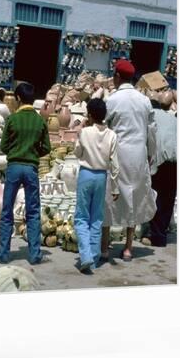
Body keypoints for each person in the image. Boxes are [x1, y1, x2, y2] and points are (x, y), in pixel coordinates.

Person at [101, 59, 157, 261]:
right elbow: (151, 131)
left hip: (116, 154)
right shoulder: (144, 101)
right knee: (134, 197)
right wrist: (151, 154)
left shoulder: (112, 100)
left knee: (110, 197)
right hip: (138, 155)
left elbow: (104, 129)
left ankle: (105, 247)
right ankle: (128, 248)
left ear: (117, 76)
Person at [0, 82, 51, 265]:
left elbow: (3, 146)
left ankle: (3, 253)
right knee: (33, 211)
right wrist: (33, 153)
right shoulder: (39, 121)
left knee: (7, 210)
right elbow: (47, 148)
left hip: (13, 168)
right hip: (31, 169)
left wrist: (15, 151)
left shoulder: (12, 120)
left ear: (18, 98)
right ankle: (35, 254)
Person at [73, 98, 120, 272]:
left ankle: (85, 256)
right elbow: (115, 163)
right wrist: (115, 187)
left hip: (86, 174)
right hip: (102, 176)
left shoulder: (85, 132)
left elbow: (77, 153)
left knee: (81, 217)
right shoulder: (112, 135)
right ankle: (93, 257)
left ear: (90, 115)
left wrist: (80, 132)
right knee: (96, 218)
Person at [141, 98, 177, 247]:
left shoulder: (150, 117)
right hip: (176, 160)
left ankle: (157, 237)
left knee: (155, 197)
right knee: (168, 197)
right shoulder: (171, 117)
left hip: (160, 160)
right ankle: (162, 231)